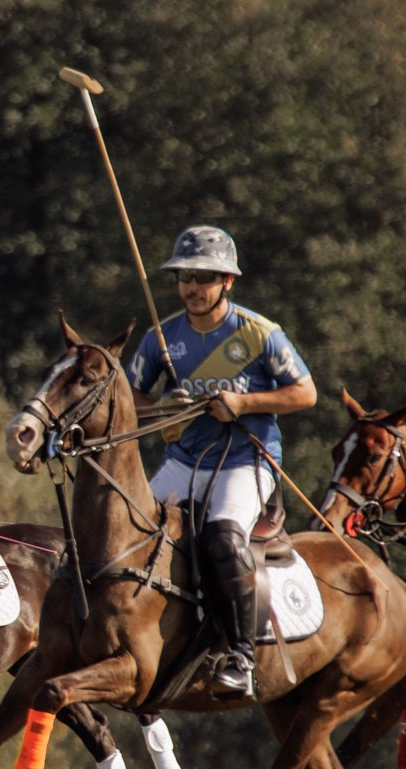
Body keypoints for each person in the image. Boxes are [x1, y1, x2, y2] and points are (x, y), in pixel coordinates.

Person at [126, 226, 316, 699]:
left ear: (227, 281)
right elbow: (130, 398)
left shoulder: (259, 334)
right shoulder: (161, 338)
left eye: (205, 277)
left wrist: (244, 403)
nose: (193, 286)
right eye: (185, 276)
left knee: (224, 538)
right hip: (183, 459)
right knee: (128, 528)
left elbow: (305, 393)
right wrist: (161, 406)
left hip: (245, 461)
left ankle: (240, 658)